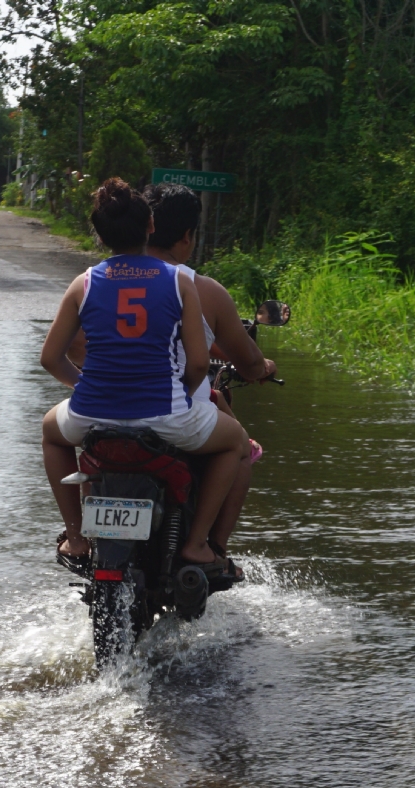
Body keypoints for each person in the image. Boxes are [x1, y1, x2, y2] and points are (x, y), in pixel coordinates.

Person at [40, 177, 249, 573]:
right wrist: (184, 394)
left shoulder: (83, 283)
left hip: (92, 414)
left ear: (101, 237)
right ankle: (198, 544)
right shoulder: (179, 282)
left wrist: (82, 386)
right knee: (236, 443)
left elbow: (51, 358)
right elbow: (201, 364)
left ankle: (76, 537)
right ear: (150, 226)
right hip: (165, 414)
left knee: (51, 433)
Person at [141, 182, 276, 557]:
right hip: (177, 414)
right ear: (187, 236)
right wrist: (262, 366)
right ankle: (207, 546)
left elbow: (74, 349)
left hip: (107, 408)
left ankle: (80, 537)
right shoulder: (201, 289)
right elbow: (242, 362)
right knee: (241, 447)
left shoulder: (102, 281)